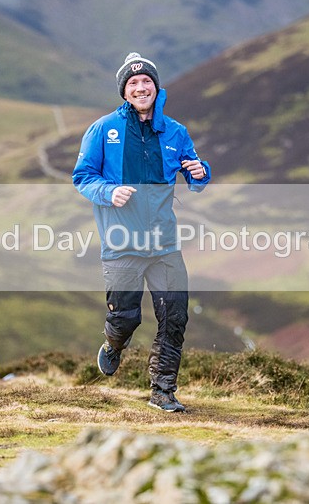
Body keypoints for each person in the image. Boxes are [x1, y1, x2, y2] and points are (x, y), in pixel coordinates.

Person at [73, 52, 211, 412]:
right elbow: (83, 177)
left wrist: (200, 173)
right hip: (121, 243)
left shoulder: (175, 132)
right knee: (125, 317)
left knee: (175, 317)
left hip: (164, 243)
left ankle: (162, 391)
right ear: (124, 91)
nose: (140, 87)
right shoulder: (104, 129)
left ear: (156, 86)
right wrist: (108, 191)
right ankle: (113, 344)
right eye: (132, 83)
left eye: (146, 81)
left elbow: (196, 172)